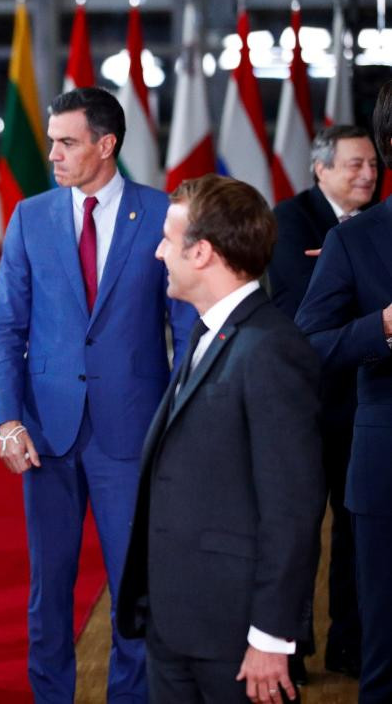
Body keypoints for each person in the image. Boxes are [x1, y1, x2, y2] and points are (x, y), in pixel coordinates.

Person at [0, 86, 196, 703]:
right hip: (45, 435)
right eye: (53, 140)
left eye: (67, 141)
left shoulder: (162, 214)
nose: (52, 153)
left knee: (134, 590)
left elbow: (186, 332)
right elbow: (5, 330)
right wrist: (7, 422)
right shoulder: (30, 216)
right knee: (49, 591)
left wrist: (175, 425)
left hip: (132, 434)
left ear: (106, 145)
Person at [118, 174, 324, 703]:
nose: (159, 251)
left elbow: (292, 510)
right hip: (177, 621)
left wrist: (272, 638)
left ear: (203, 252)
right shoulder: (208, 333)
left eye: (168, 238)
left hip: (234, 637)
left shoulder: (271, 349)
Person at [295, 79, 392, 703]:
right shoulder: (354, 238)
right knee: (384, 651)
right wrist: (380, 327)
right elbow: (307, 345)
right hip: (387, 473)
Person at [267, 125, 375, 680]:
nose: (367, 174)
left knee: (357, 532)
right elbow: (306, 306)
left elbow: (338, 298)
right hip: (305, 407)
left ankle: (349, 643)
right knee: (298, 531)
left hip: (362, 403)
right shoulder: (289, 219)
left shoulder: (376, 225)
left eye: (373, 165)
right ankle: (289, 648)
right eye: (354, 164)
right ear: (321, 168)